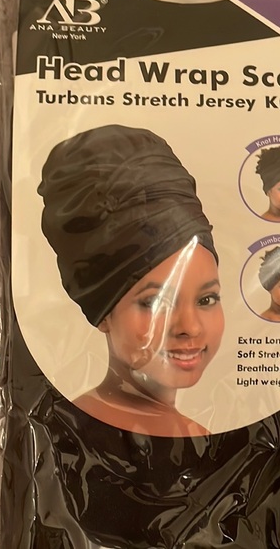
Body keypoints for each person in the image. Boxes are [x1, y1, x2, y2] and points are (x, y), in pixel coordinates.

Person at [38, 125, 224, 437]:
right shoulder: (65, 440)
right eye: (156, 302)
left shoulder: (200, 438)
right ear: (103, 313)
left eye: (207, 299)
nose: (190, 327)